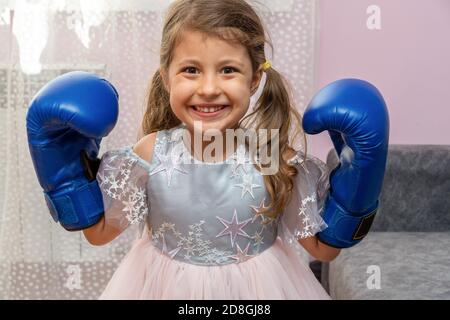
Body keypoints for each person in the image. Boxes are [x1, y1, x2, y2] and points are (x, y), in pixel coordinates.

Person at [26, 0, 389, 300]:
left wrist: (357, 190)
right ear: (167, 76)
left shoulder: (271, 156)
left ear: (255, 78)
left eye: (228, 69)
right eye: (191, 70)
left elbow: (324, 250)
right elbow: (98, 233)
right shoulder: (153, 152)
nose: (209, 88)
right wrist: (67, 172)